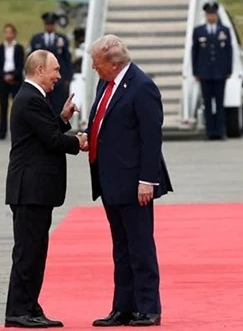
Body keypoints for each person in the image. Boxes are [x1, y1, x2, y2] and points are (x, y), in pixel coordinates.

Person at [83, 34, 172, 327]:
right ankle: (123, 307)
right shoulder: (106, 83)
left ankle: (148, 308)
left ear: (112, 63)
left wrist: (147, 180)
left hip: (135, 183)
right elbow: (102, 122)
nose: (93, 68)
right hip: (110, 180)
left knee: (140, 247)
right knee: (121, 249)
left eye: (96, 63)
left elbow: (151, 139)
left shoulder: (142, 87)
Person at [4, 50, 86, 329]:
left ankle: (29, 306)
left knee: (35, 251)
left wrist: (62, 118)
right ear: (39, 69)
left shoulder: (33, 98)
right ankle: (18, 311)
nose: (58, 76)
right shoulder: (30, 98)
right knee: (28, 252)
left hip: (34, 190)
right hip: (30, 189)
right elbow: (51, 140)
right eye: (55, 70)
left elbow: (43, 134)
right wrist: (79, 142)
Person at [192, 2, 233, 140]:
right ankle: (210, 131)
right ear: (206, 15)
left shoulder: (224, 31)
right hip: (205, 73)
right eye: (209, 14)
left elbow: (228, 51)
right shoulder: (199, 31)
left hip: (220, 73)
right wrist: (195, 71)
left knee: (220, 103)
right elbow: (195, 52)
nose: (211, 17)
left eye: (213, 14)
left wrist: (228, 69)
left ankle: (220, 131)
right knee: (207, 103)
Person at [27, 12, 72, 116]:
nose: (49, 26)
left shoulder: (62, 39)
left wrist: (67, 78)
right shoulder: (36, 39)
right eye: (47, 24)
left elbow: (67, 59)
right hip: (40, 79)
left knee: (58, 106)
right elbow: (31, 59)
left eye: (52, 24)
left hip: (58, 79)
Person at [0, 23, 25, 141]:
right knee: (3, 106)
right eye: (6, 32)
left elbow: (21, 64)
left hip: (15, 79)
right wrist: (4, 75)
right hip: (3, 79)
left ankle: (18, 131)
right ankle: (2, 131)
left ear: (14, 34)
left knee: (17, 107)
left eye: (10, 32)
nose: (8, 34)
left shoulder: (19, 48)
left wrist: (13, 75)